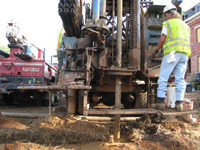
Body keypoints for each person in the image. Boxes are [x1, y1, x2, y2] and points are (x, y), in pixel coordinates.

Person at [152, 4, 191, 112]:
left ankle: (160, 102)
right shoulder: (185, 25)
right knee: (180, 79)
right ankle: (179, 103)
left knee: (163, 77)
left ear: (170, 13)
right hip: (184, 54)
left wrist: (157, 50)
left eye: (165, 15)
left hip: (172, 54)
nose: (164, 18)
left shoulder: (168, 23)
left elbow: (162, 38)